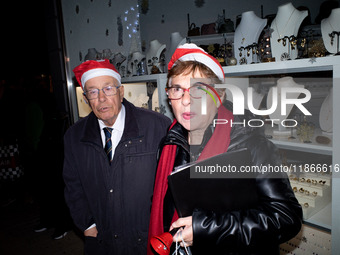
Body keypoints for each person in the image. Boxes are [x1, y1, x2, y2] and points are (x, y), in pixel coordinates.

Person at [147, 43, 302, 255]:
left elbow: (286, 217)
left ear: (218, 96)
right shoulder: (169, 144)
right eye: (177, 90)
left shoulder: (251, 145)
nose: (185, 101)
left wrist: (206, 228)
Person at [63, 59, 171, 254]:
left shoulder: (158, 127)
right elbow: (73, 187)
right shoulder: (75, 137)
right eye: (93, 92)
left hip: (147, 240)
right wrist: (87, 226)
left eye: (108, 89)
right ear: (86, 99)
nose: (102, 98)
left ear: (121, 92)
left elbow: (171, 183)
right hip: (102, 242)